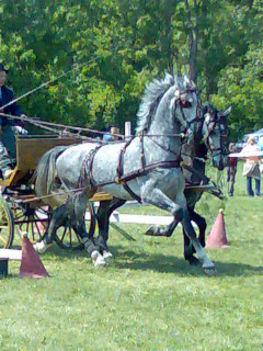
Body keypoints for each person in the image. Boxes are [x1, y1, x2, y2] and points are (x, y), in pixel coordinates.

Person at [0, 63, 26, 179]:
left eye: (3, 76)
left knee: (14, 147)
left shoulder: (8, 92)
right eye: (0, 76)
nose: (2, 79)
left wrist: (20, 115)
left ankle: (16, 171)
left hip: (4, 126)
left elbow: (15, 107)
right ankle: (5, 170)